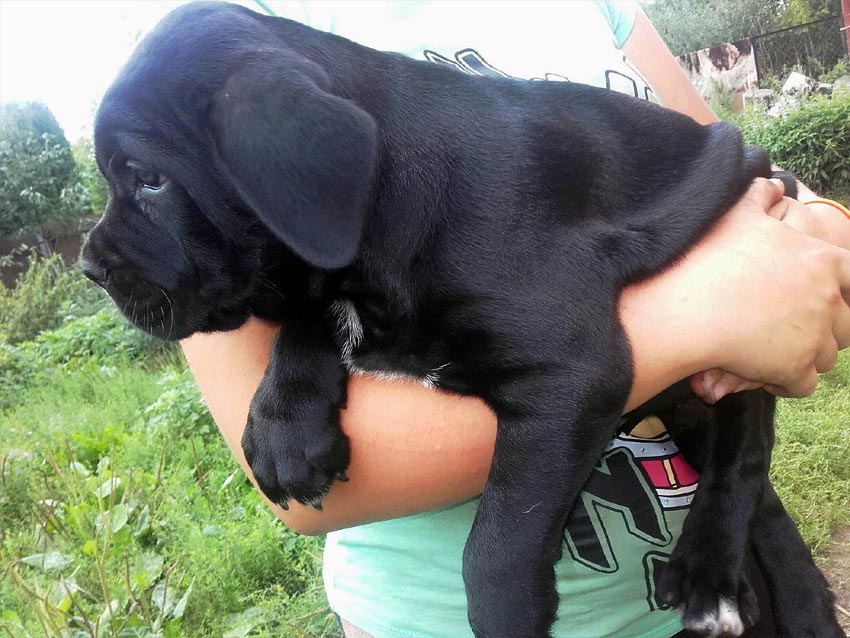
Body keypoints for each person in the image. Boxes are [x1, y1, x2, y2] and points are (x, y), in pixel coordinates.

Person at [182, 2, 850, 636]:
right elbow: (293, 462)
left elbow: (739, 175)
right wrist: (697, 321)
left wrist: (818, 229)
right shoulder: (230, 41)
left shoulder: (602, 8)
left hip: (710, 569)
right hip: (448, 618)